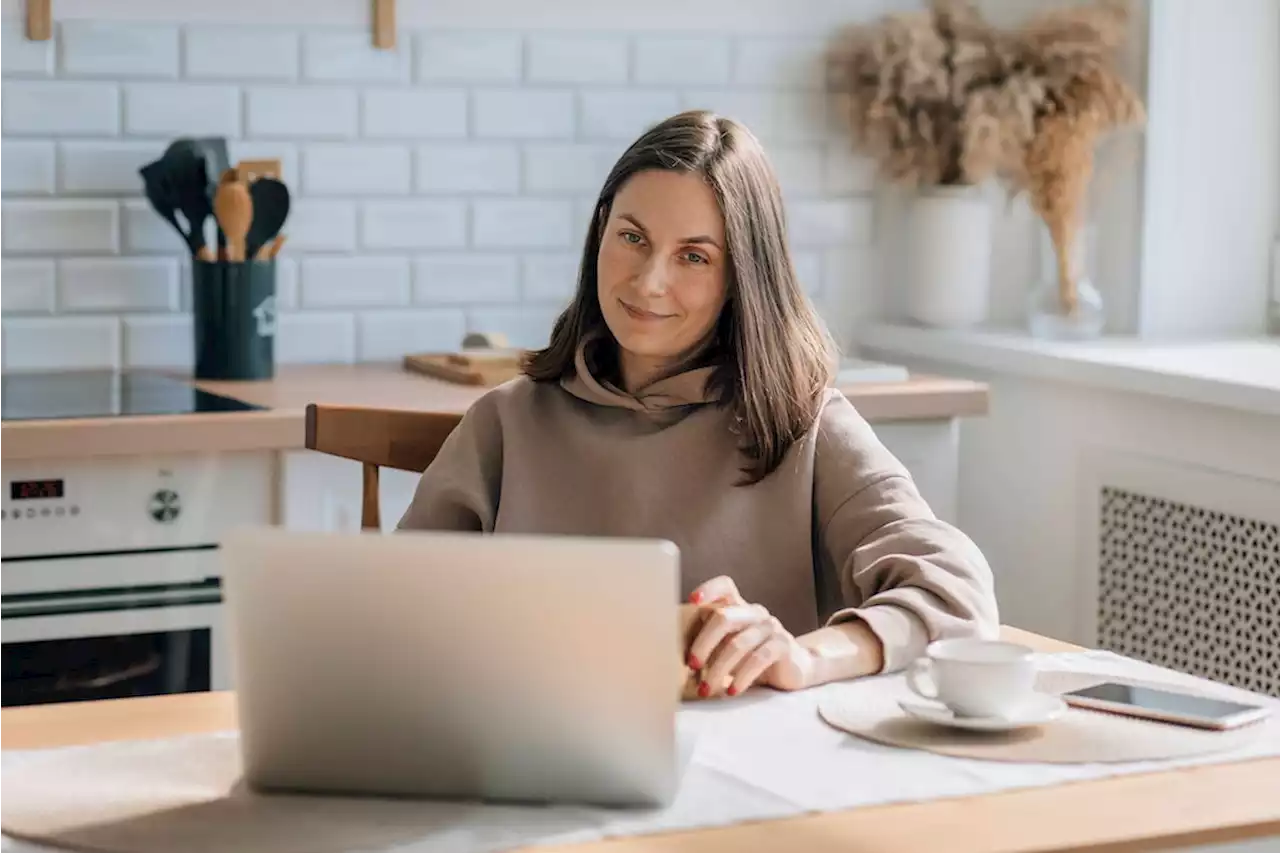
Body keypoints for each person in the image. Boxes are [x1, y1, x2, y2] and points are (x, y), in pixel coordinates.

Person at [397, 109, 998, 699]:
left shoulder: (802, 424)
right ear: (600, 231)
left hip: (752, 772)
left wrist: (806, 656)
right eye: (632, 238)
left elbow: (956, 593)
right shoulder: (505, 423)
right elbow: (391, 614)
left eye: (694, 256)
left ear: (741, 277)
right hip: (521, 757)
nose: (649, 281)